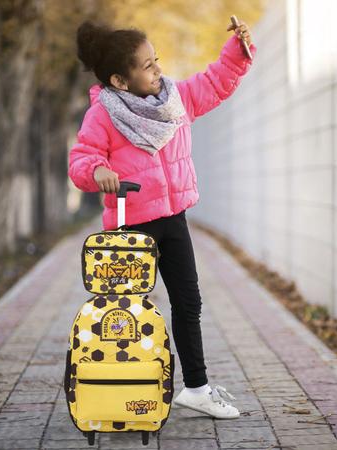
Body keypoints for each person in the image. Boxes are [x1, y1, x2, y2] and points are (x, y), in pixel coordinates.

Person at [68, 18, 256, 419]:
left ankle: (197, 388)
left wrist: (236, 52)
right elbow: (82, 158)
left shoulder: (174, 99)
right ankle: (127, 388)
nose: (158, 70)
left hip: (173, 220)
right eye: (148, 66)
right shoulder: (104, 114)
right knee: (128, 310)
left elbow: (214, 82)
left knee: (189, 303)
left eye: (157, 60)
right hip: (130, 226)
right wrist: (96, 171)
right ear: (120, 80)